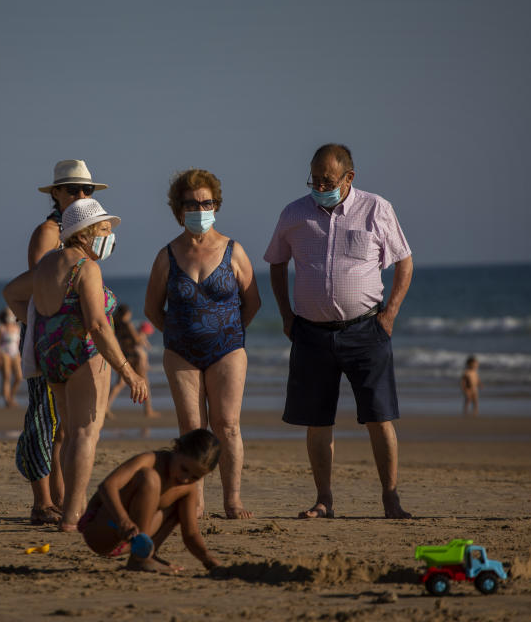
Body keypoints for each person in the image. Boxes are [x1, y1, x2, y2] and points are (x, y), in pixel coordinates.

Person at [264, 143, 413, 519]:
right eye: (313, 179)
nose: (319, 185)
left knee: (380, 417)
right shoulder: (294, 213)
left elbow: (404, 262)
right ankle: (324, 498)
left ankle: (390, 498)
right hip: (311, 333)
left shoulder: (377, 208)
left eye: (327, 179)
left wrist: (390, 314)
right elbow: (277, 263)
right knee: (317, 421)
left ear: (349, 178)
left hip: (366, 329)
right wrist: (286, 315)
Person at [5, 198, 149, 531]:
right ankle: (71, 516)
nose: (109, 234)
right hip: (84, 354)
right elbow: (97, 325)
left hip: (50, 354)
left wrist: (33, 317)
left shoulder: (46, 265)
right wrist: (128, 372)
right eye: (103, 228)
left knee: (69, 433)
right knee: (86, 433)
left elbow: (11, 291)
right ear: (83, 233)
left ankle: (75, 505)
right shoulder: (86, 267)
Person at [144, 169, 261, 519]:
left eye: (206, 202)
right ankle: (194, 501)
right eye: (192, 203)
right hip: (180, 354)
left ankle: (232, 500)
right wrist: (180, 333)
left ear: (217, 205)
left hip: (228, 350)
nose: (200, 208)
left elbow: (252, 302)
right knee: (192, 430)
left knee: (227, 425)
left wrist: (229, 333)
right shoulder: (167, 256)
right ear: (179, 209)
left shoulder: (233, 250)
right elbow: (152, 309)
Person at [12, 159, 104, 526]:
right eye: (72, 189)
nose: (80, 195)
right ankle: (42, 502)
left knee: (66, 425)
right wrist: (43, 329)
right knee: (42, 418)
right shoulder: (49, 232)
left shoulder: (83, 233)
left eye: (87, 190)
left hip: (70, 339)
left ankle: (63, 499)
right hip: (46, 335)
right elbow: (39, 286)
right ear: (55, 194)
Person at [78, 428, 222, 574]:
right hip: (103, 530)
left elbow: (191, 534)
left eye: (195, 477)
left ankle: (147, 554)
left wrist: (207, 558)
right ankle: (140, 559)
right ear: (176, 449)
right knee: (149, 478)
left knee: (181, 504)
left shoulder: (187, 488)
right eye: (184, 469)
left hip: (128, 544)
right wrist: (122, 519)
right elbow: (107, 486)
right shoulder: (151, 460)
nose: (185, 479)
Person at [107, 305, 159, 419]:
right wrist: (143, 335)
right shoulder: (128, 325)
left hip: (124, 356)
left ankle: (106, 406)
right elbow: (137, 340)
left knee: (119, 384)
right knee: (144, 383)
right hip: (135, 357)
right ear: (127, 314)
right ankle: (148, 410)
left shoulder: (116, 326)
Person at [0, 309, 22, 408]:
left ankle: (11, 397)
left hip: (15, 353)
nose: (11, 316)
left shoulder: (17, 328)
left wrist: (21, 356)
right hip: (4, 353)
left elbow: (19, 343)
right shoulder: (2, 328)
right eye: (9, 314)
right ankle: (7, 400)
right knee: (7, 376)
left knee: (19, 377)